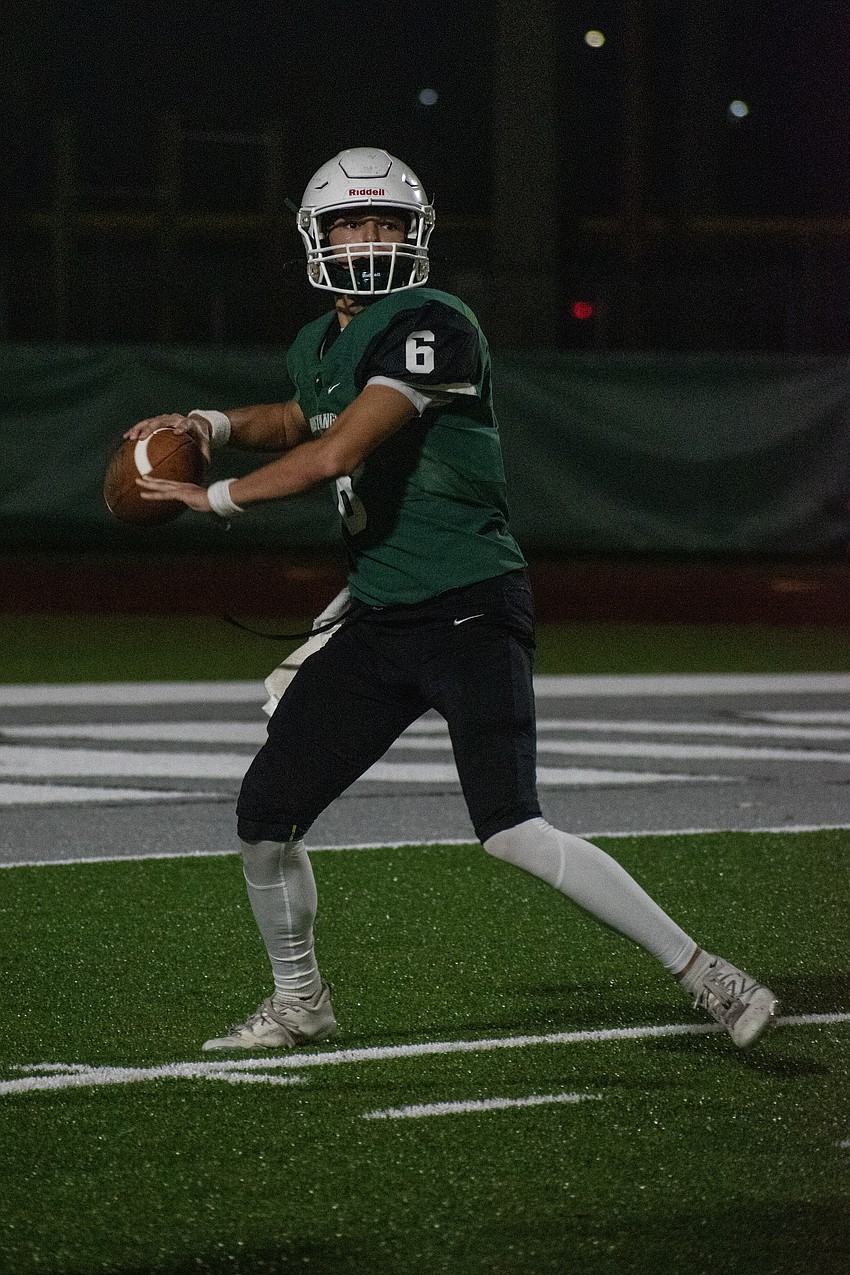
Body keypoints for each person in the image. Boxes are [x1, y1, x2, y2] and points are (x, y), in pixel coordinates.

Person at [126, 147, 779, 1053]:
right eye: (351, 224)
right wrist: (212, 425)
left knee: (510, 827)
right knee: (264, 816)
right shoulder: (320, 343)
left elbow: (337, 451)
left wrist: (218, 495)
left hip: (470, 603)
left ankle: (706, 972)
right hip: (381, 614)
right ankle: (300, 1001)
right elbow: (302, 413)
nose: (368, 240)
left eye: (384, 223)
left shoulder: (436, 323)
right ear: (318, 238)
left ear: (415, 234)